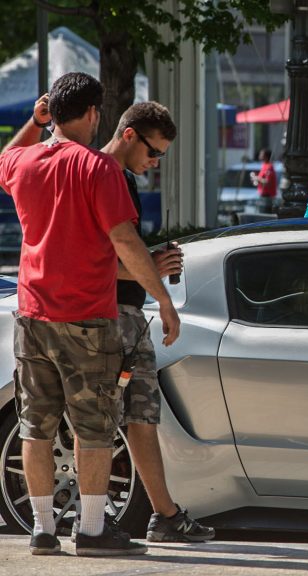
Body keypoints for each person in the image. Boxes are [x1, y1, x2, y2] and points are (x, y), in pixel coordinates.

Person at [0, 72, 180, 556]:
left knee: (36, 425)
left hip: (31, 313)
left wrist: (34, 124)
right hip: (85, 315)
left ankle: (41, 529)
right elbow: (125, 240)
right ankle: (94, 529)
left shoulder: (25, 161)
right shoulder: (96, 168)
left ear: (52, 111)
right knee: (93, 425)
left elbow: (3, 159)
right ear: (95, 114)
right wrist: (161, 298)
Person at [99, 102, 216, 543]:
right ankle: (93, 518)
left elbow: (120, 253)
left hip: (127, 315)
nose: (155, 162)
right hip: (106, 316)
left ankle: (164, 515)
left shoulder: (122, 178)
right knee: (102, 420)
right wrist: (152, 269)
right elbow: (94, 259)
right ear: (130, 135)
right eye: (154, 151)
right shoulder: (99, 174)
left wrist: (151, 265)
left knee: (141, 414)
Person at [250, 148, 277, 213]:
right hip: (262, 196)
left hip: (267, 197)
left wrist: (256, 178)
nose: (260, 155)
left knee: (265, 215)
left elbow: (268, 182)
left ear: (266, 156)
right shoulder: (264, 165)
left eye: (261, 154)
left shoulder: (269, 167)